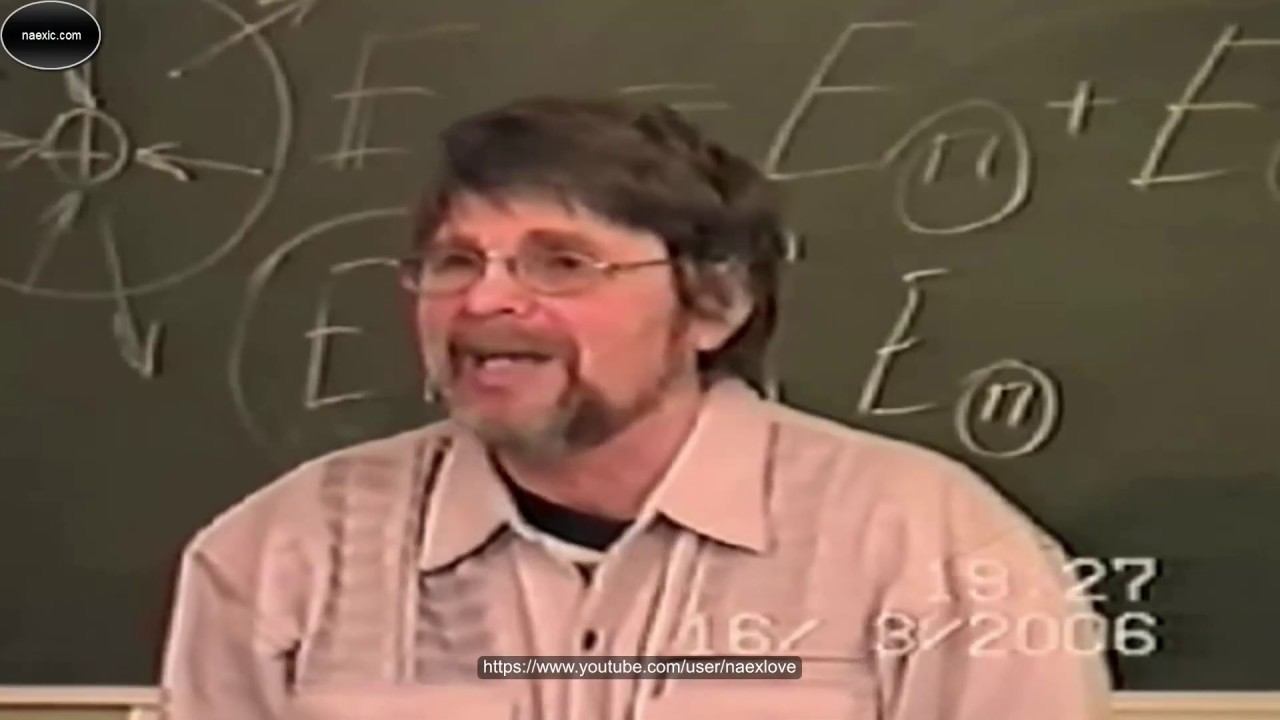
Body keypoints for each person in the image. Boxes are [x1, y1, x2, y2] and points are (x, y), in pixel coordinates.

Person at [159, 96, 1111, 720]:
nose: (486, 300)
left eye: (561, 263)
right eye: (455, 262)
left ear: (714, 305)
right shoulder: (283, 555)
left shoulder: (931, 548)